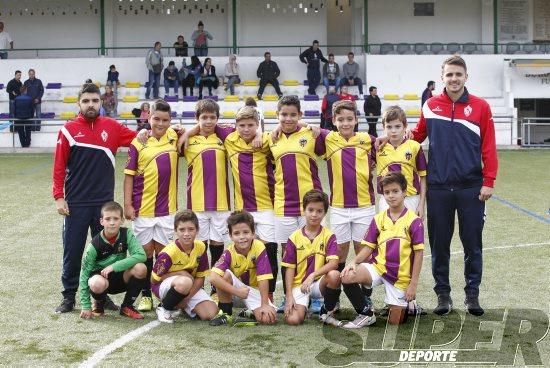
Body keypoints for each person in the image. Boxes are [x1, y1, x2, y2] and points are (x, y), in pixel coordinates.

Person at [410, 55, 497, 316]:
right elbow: (416, 137)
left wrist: (488, 181)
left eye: (458, 74)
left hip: (471, 188)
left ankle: (472, 296)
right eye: (449, 75)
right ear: (442, 77)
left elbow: (489, 147)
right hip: (437, 188)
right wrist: (389, 139)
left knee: (472, 244)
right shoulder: (430, 105)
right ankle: (443, 296)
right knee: (440, 245)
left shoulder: (480, 107)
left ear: (466, 77)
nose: (454, 79)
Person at [52, 83, 138, 313]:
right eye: (86, 101)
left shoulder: (112, 127)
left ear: (101, 103)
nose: (91, 105)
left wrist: (172, 132)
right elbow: (59, 166)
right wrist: (59, 197)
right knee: (73, 250)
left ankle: (101, 296)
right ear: (79, 103)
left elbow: (140, 140)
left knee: (104, 253)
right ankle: (68, 296)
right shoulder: (68, 130)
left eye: (95, 101)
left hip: (104, 205)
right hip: (76, 203)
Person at [341, 172, 424, 327]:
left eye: (395, 191)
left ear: (405, 192)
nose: (391, 196)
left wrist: (413, 284)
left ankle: (403, 304)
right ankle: (366, 314)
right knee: (347, 276)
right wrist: (353, 262)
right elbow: (368, 247)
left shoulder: (414, 221)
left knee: (396, 322)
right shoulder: (378, 219)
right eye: (387, 192)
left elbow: (419, 254)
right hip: (378, 268)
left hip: (400, 277)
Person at [268, 96, 326, 313]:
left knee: (315, 248)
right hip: (283, 203)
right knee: (288, 252)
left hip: (310, 203)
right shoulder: (270, 139)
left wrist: (311, 126)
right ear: (277, 115)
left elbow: (331, 136)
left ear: (300, 115)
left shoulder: (311, 134)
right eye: (283, 114)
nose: (288, 118)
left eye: (293, 114)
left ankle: (317, 296)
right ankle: (289, 296)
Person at [124, 99, 180, 313]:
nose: (161, 123)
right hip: (142, 209)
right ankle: (145, 295)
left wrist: (182, 128)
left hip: (167, 210)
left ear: (170, 120)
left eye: (165, 120)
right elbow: (128, 176)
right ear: (149, 117)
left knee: (164, 254)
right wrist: (128, 204)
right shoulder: (138, 142)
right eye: (156, 119)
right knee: (145, 253)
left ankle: (162, 294)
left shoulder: (174, 136)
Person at [321, 100, 376, 307]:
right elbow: (308, 129)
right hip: (339, 208)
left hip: (364, 207)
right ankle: (334, 300)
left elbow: (386, 144)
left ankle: (366, 296)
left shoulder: (367, 140)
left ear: (356, 120)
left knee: (363, 252)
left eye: (349, 119)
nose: (345, 123)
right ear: (334, 121)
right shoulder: (328, 139)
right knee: (338, 254)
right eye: (341, 119)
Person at [182, 99, 230, 289]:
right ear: (197, 119)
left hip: (221, 203)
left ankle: (215, 287)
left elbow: (246, 126)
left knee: (218, 246)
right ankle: (198, 286)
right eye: (204, 118)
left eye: (212, 118)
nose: (208, 121)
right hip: (197, 203)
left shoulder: (224, 138)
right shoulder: (187, 140)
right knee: (199, 247)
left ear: (217, 119)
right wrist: (187, 132)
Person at [281, 189, 342, 327]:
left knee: (334, 275)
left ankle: (326, 312)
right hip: (300, 285)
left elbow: (334, 263)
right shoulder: (294, 237)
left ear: (325, 213)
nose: (314, 215)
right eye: (311, 210)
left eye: (319, 211)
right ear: (304, 210)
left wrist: (313, 275)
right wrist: (289, 296)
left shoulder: (329, 236)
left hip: (318, 284)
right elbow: (289, 269)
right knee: (293, 320)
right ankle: (304, 304)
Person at [79, 201, 147, 320]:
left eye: (115, 219)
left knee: (141, 268)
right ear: (102, 221)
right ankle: (99, 303)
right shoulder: (94, 245)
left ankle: (127, 306)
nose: (112, 222)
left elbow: (141, 255)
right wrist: (85, 305)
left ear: (122, 220)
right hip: (101, 279)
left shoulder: (126, 234)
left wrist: (114, 266)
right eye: (108, 219)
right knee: (96, 283)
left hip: (119, 277)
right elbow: (84, 275)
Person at [209, 211, 277, 326]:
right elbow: (213, 278)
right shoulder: (229, 252)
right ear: (230, 236)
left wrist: (264, 304)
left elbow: (263, 278)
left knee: (268, 319)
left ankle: (249, 313)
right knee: (225, 274)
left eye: (246, 232)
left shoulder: (259, 247)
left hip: (254, 292)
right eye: (236, 233)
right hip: (235, 293)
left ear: (253, 233)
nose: (242, 237)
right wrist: (237, 292)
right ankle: (226, 313)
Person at [151, 210, 219, 323]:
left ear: (197, 230)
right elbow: (153, 280)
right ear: (175, 231)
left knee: (211, 313)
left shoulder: (201, 247)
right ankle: (164, 308)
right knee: (185, 281)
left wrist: (187, 298)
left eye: (191, 229)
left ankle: (181, 305)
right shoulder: (168, 253)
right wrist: (180, 273)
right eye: (182, 230)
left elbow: (200, 277)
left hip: (188, 287)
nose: (186, 234)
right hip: (164, 288)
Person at [376, 106, 427, 217]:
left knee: (411, 233)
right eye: (389, 127)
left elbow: (423, 177)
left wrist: (421, 204)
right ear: (383, 127)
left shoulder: (415, 146)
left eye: (398, 126)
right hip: (387, 199)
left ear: (405, 126)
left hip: (411, 198)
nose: (393, 131)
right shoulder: (378, 147)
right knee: (388, 233)